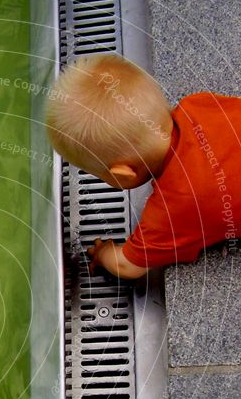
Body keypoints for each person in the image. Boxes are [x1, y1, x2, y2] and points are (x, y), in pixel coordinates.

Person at [44, 53, 241, 279]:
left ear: (125, 174)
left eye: (98, 174)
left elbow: (127, 266)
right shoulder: (199, 103)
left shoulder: (173, 207)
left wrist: (105, 252)